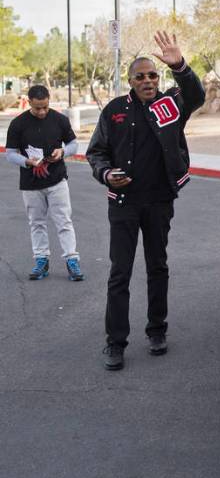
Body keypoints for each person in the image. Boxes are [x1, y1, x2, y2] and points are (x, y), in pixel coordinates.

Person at [86, 31, 205, 371]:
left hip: (159, 201)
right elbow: (96, 152)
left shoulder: (170, 104)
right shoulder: (114, 111)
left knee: (158, 267)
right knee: (119, 273)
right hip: (123, 202)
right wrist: (107, 174)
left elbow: (196, 95)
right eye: (141, 76)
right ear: (130, 81)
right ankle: (115, 342)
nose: (148, 80)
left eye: (153, 75)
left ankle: (156, 331)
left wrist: (180, 65)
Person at [4, 84, 83, 281]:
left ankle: (72, 260)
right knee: (36, 223)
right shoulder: (18, 124)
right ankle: (41, 260)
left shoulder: (60, 120)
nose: (42, 111)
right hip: (30, 183)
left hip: (57, 180)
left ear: (49, 101)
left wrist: (63, 152)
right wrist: (26, 161)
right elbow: (10, 154)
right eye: (37, 107)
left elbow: (74, 144)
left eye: (45, 107)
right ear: (29, 102)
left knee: (64, 221)